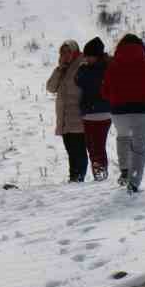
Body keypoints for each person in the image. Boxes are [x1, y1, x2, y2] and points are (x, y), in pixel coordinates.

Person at [100, 33, 145, 193]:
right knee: (139, 148)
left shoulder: (112, 66)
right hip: (143, 111)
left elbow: (105, 92)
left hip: (119, 112)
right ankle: (133, 181)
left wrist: (117, 98)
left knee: (123, 137)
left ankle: (125, 170)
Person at [46, 40, 87, 182]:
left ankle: (78, 178)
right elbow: (51, 88)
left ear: (75, 51)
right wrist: (60, 69)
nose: (65, 55)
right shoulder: (63, 69)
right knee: (71, 151)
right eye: (62, 52)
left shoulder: (82, 65)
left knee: (79, 151)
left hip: (79, 117)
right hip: (65, 119)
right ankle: (74, 178)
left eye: (68, 51)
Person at [74, 37, 112, 181]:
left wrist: (83, 69)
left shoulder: (94, 69)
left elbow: (79, 80)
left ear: (96, 55)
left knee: (96, 146)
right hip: (94, 112)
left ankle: (100, 172)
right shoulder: (106, 66)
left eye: (89, 56)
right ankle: (99, 172)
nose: (87, 59)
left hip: (98, 112)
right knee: (93, 146)